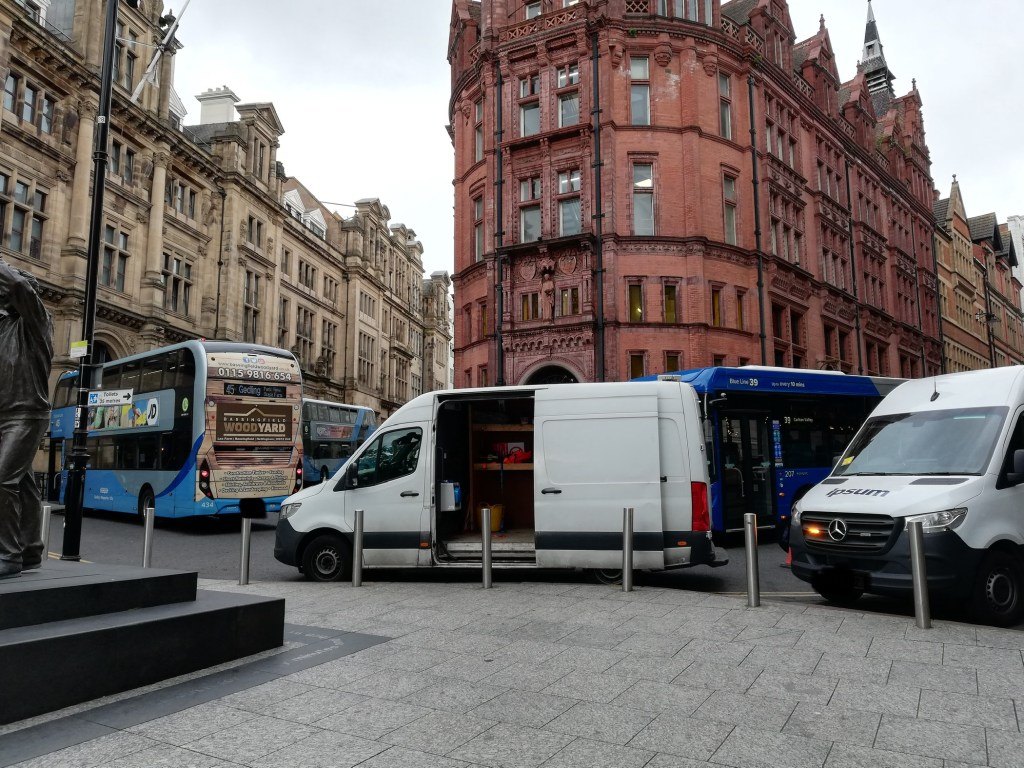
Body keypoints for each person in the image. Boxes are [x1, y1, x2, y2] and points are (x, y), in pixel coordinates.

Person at [0, 261, 53, 578]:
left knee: (2, 480)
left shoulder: (35, 322)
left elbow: (20, 287)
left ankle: (8, 555)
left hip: (26, 412)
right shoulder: (3, 326)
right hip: (3, 412)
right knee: (22, 482)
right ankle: (31, 549)